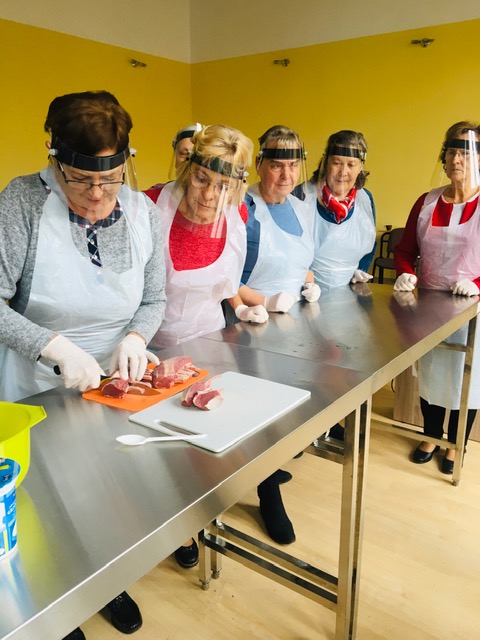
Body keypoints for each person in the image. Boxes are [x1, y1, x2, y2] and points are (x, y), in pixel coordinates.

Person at [0, 90, 167, 639]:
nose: (96, 194)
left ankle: (105, 580)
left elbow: (154, 297)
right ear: (54, 160)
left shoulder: (142, 212)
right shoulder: (22, 202)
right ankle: (51, 603)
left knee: (109, 492)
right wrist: (54, 347)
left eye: (110, 179)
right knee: (40, 502)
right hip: (35, 385)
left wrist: (137, 337)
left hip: (116, 385)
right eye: (80, 180)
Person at [146, 124, 262, 567]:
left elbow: (231, 283)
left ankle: (200, 518)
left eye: (224, 185)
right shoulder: (151, 205)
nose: (211, 195)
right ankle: (166, 527)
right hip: (150, 349)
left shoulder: (237, 216)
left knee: (202, 445)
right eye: (201, 179)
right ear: (187, 167)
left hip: (210, 345)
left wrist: (247, 306)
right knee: (157, 450)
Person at [238, 125, 320, 545]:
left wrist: (309, 282)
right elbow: (224, 275)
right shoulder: (244, 207)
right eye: (276, 165)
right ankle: (267, 493)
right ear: (259, 165)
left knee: (287, 406)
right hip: (252, 326)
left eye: (293, 165)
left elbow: (302, 260)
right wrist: (264, 301)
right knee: (257, 413)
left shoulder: (303, 208)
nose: (286, 175)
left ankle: (269, 464)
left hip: (293, 328)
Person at [394, 121, 480, 475]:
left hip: (474, 309)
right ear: (443, 157)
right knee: (432, 376)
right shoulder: (427, 202)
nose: (457, 159)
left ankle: (456, 445)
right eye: (452, 151)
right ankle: (431, 435)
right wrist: (405, 272)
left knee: (468, 380)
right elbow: (405, 250)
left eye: (466, 152)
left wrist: (477, 282)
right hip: (429, 307)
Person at [303, 130, 376, 291]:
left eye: (351, 165)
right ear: (325, 162)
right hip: (304, 292)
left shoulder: (365, 200)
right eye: (337, 163)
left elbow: (370, 244)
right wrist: (306, 283)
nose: (343, 172)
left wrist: (361, 270)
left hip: (348, 294)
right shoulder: (303, 196)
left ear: (360, 167)